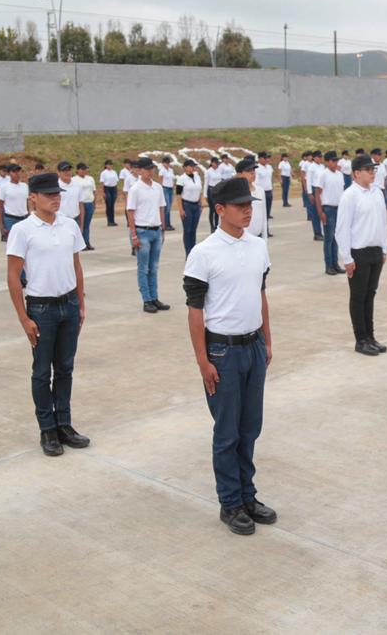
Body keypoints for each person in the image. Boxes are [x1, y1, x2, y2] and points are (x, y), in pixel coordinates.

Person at [182, 176, 276, 536]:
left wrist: (267, 340)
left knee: (250, 427)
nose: (248, 210)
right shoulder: (203, 253)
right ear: (220, 210)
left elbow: (261, 294)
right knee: (227, 431)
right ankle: (231, 502)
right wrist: (203, 361)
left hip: (252, 347)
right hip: (221, 350)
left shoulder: (257, 246)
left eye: (249, 204)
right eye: (240, 206)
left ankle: (248, 496)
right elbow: (195, 311)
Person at [6, 172, 88, 457]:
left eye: (58, 194)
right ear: (33, 198)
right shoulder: (22, 230)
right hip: (41, 308)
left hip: (69, 305)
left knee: (65, 368)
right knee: (42, 372)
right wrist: (23, 318)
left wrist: (80, 303)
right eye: (49, 195)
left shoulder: (69, 226)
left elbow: (76, 265)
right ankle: (47, 429)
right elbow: (14, 276)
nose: (55, 199)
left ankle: (64, 424)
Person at [332, 154, 387, 356]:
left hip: (375, 251)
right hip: (358, 253)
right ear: (356, 173)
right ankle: (360, 339)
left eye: (374, 169)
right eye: (368, 169)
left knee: (370, 295)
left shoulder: (377, 193)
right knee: (358, 297)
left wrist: (384, 249)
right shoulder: (350, 195)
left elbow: (382, 222)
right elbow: (342, 229)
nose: (372, 172)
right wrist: (346, 258)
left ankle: (371, 337)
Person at [127, 159, 170, 314]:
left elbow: (161, 208)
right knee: (143, 268)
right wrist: (133, 235)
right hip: (142, 231)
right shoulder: (135, 189)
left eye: (152, 169)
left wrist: (163, 229)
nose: (150, 172)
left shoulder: (157, 187)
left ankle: (154, 297)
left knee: (154, 267)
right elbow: (130, 212)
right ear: (140, 171)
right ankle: (146, 300)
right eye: (147, 169)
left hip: (156, 230)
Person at [313, 151, 346, 275]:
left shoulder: (340, 175)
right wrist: (320, 212)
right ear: (327, 162)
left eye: (336, 160)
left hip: (339, 208)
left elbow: (341, 193)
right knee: (329, 238)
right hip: (328, 209)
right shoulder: (323, 175)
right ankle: (328, 266)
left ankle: (335, 264)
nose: (335, 163)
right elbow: (317, 193)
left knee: (336, 238)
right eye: (333, 161)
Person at [235, 157, 268, 241]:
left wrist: (265, 237)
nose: (253, 173)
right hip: (242, 239)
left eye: (254, 170)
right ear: (239, 174)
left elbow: (264, 215)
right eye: (249, 171)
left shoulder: (260, 190)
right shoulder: (234, 193)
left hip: (258, 237)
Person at [0, 163, 29, 246]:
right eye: (14, 172)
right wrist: (1, 225)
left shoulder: (25, 186)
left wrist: (29, 215)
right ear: (9, 173)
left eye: (19, 171)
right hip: (10, 220)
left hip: (24, 219)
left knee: (26, 244)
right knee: (13, 245)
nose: (17, 173)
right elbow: (0, 207)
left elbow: (26, 203)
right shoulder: (4, 187)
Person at [177, 158, 205, 256]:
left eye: (194, 166)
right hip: (186, 205)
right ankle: (188, 252)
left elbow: (200, 190)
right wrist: (181, 209)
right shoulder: (181, 179)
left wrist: (201, 204)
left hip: (196, 205)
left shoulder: (197, 176)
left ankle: (193, 251)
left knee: (193, 230)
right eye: (191, 166)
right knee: (187, 230)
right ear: (185, 167)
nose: (193, 167)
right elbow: (178, 195)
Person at [75, 162, 97, 247]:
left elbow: (94, 191)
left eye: (85, 169)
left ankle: (87, 242)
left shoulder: (90, 178)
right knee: (81, 224)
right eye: (82, 169)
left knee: (87, 224)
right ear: (78, 170)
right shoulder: (74, 179)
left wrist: (94, 203)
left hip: (89, 203)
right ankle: (80, 243)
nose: (84, 171)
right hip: (80, 204)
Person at [255, 153, 274, 228]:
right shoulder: (256, 168)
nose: (266, 160)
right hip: (261, 192)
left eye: (266, 158)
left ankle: (266, 229)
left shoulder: (269, 167)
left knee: (267, 212)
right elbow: (256, 182)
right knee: (261, 212)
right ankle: (260, 229)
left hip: (269, 191)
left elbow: (270, 178)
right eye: (264, 158)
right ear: (259, 159)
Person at [99, 159, 120, 226]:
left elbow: (116, 182)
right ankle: (109, 221)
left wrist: (117, 190)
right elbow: (102, 183)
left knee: (112, 205)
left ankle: (113, 220)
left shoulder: (114, 172)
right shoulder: (104, 173)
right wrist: (103, 192)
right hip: (107, 188)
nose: (110, 166)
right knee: (109, 204)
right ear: (106, 165)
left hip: (113, 189)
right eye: (108, 164)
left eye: (111, 164)